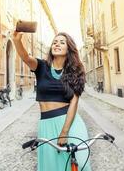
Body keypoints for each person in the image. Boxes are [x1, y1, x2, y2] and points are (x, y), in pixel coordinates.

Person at [13, 31, 91, 171]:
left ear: (69, 48)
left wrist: (65, 132)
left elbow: (74, 102)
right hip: (46, 125)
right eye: (55, 42)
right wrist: (17, 40)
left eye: (62, 42)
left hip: (69, 124)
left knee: (73, 166)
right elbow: (25, 57)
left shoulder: (76, 71)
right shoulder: (41, 66)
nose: (57, 44)